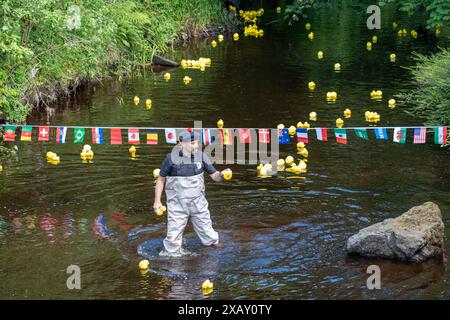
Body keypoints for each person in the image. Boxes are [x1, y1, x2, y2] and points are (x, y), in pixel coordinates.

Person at [153, 130, 230, 256]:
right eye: (193, 143)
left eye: (197, 143)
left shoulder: (201, 156)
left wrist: (222, 175)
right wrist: (157, 202)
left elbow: (214, 176)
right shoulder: (170, 158)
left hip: (198, 203)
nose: (196, 146)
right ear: (181, 143)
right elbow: (161, 179)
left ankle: (213, 247)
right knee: (173, 240)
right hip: (177, 206)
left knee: (208, 233)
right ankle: (170, 263)